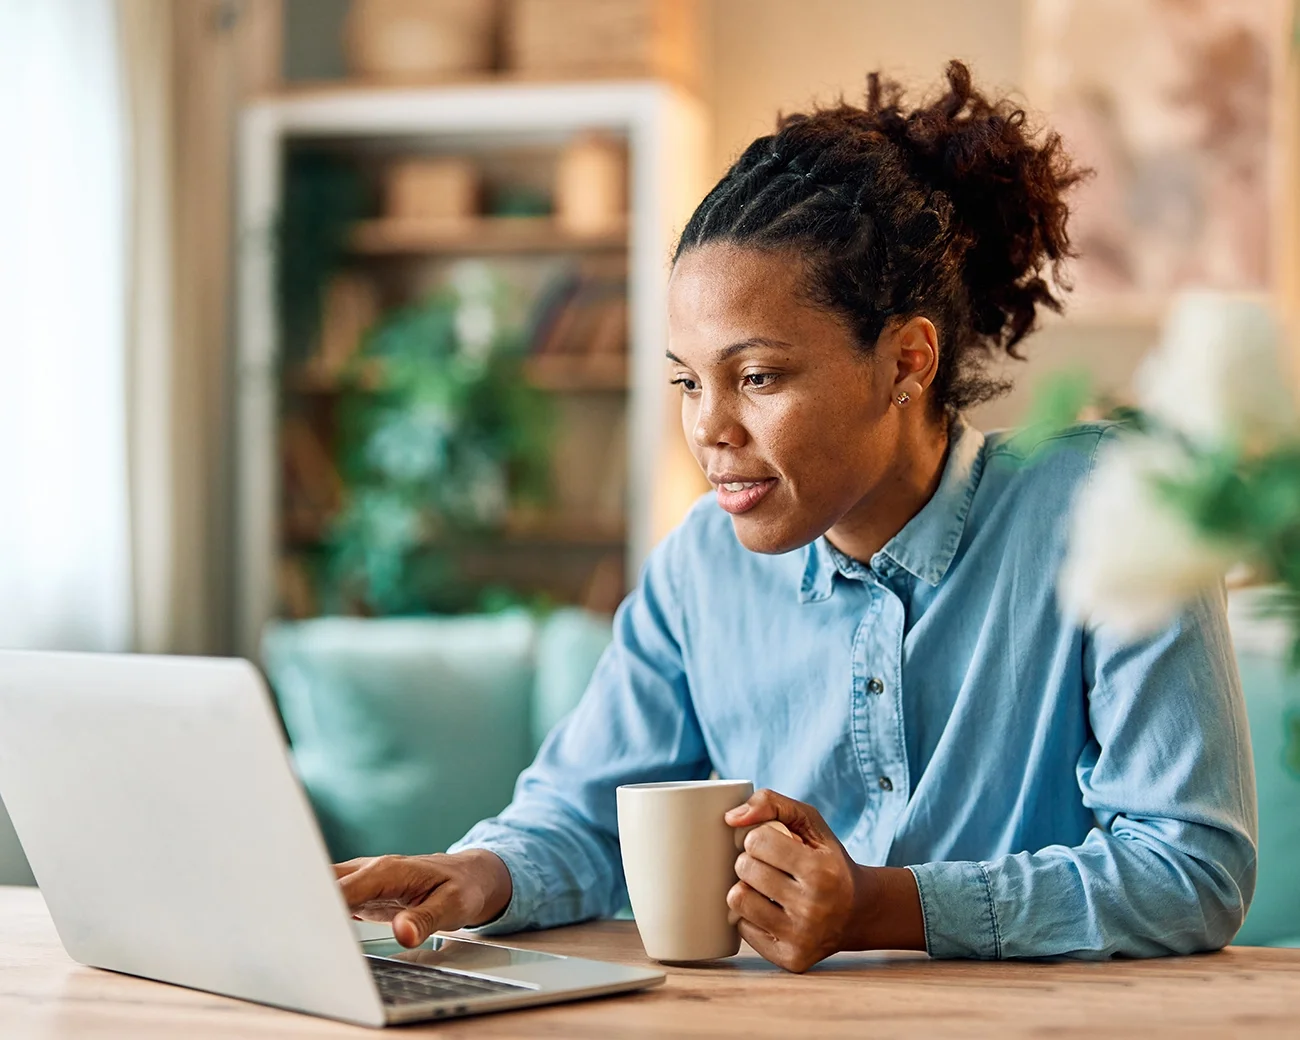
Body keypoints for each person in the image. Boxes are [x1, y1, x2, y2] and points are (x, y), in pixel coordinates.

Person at [335, 62, 1257, 971]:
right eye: (688, 381)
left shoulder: (1108, 507)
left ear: (906, 362)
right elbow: (583, 818)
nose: (709, 428)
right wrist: (477, 875)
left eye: (757, 376)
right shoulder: (701, 565)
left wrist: (885, 906)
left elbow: (1192, 866)